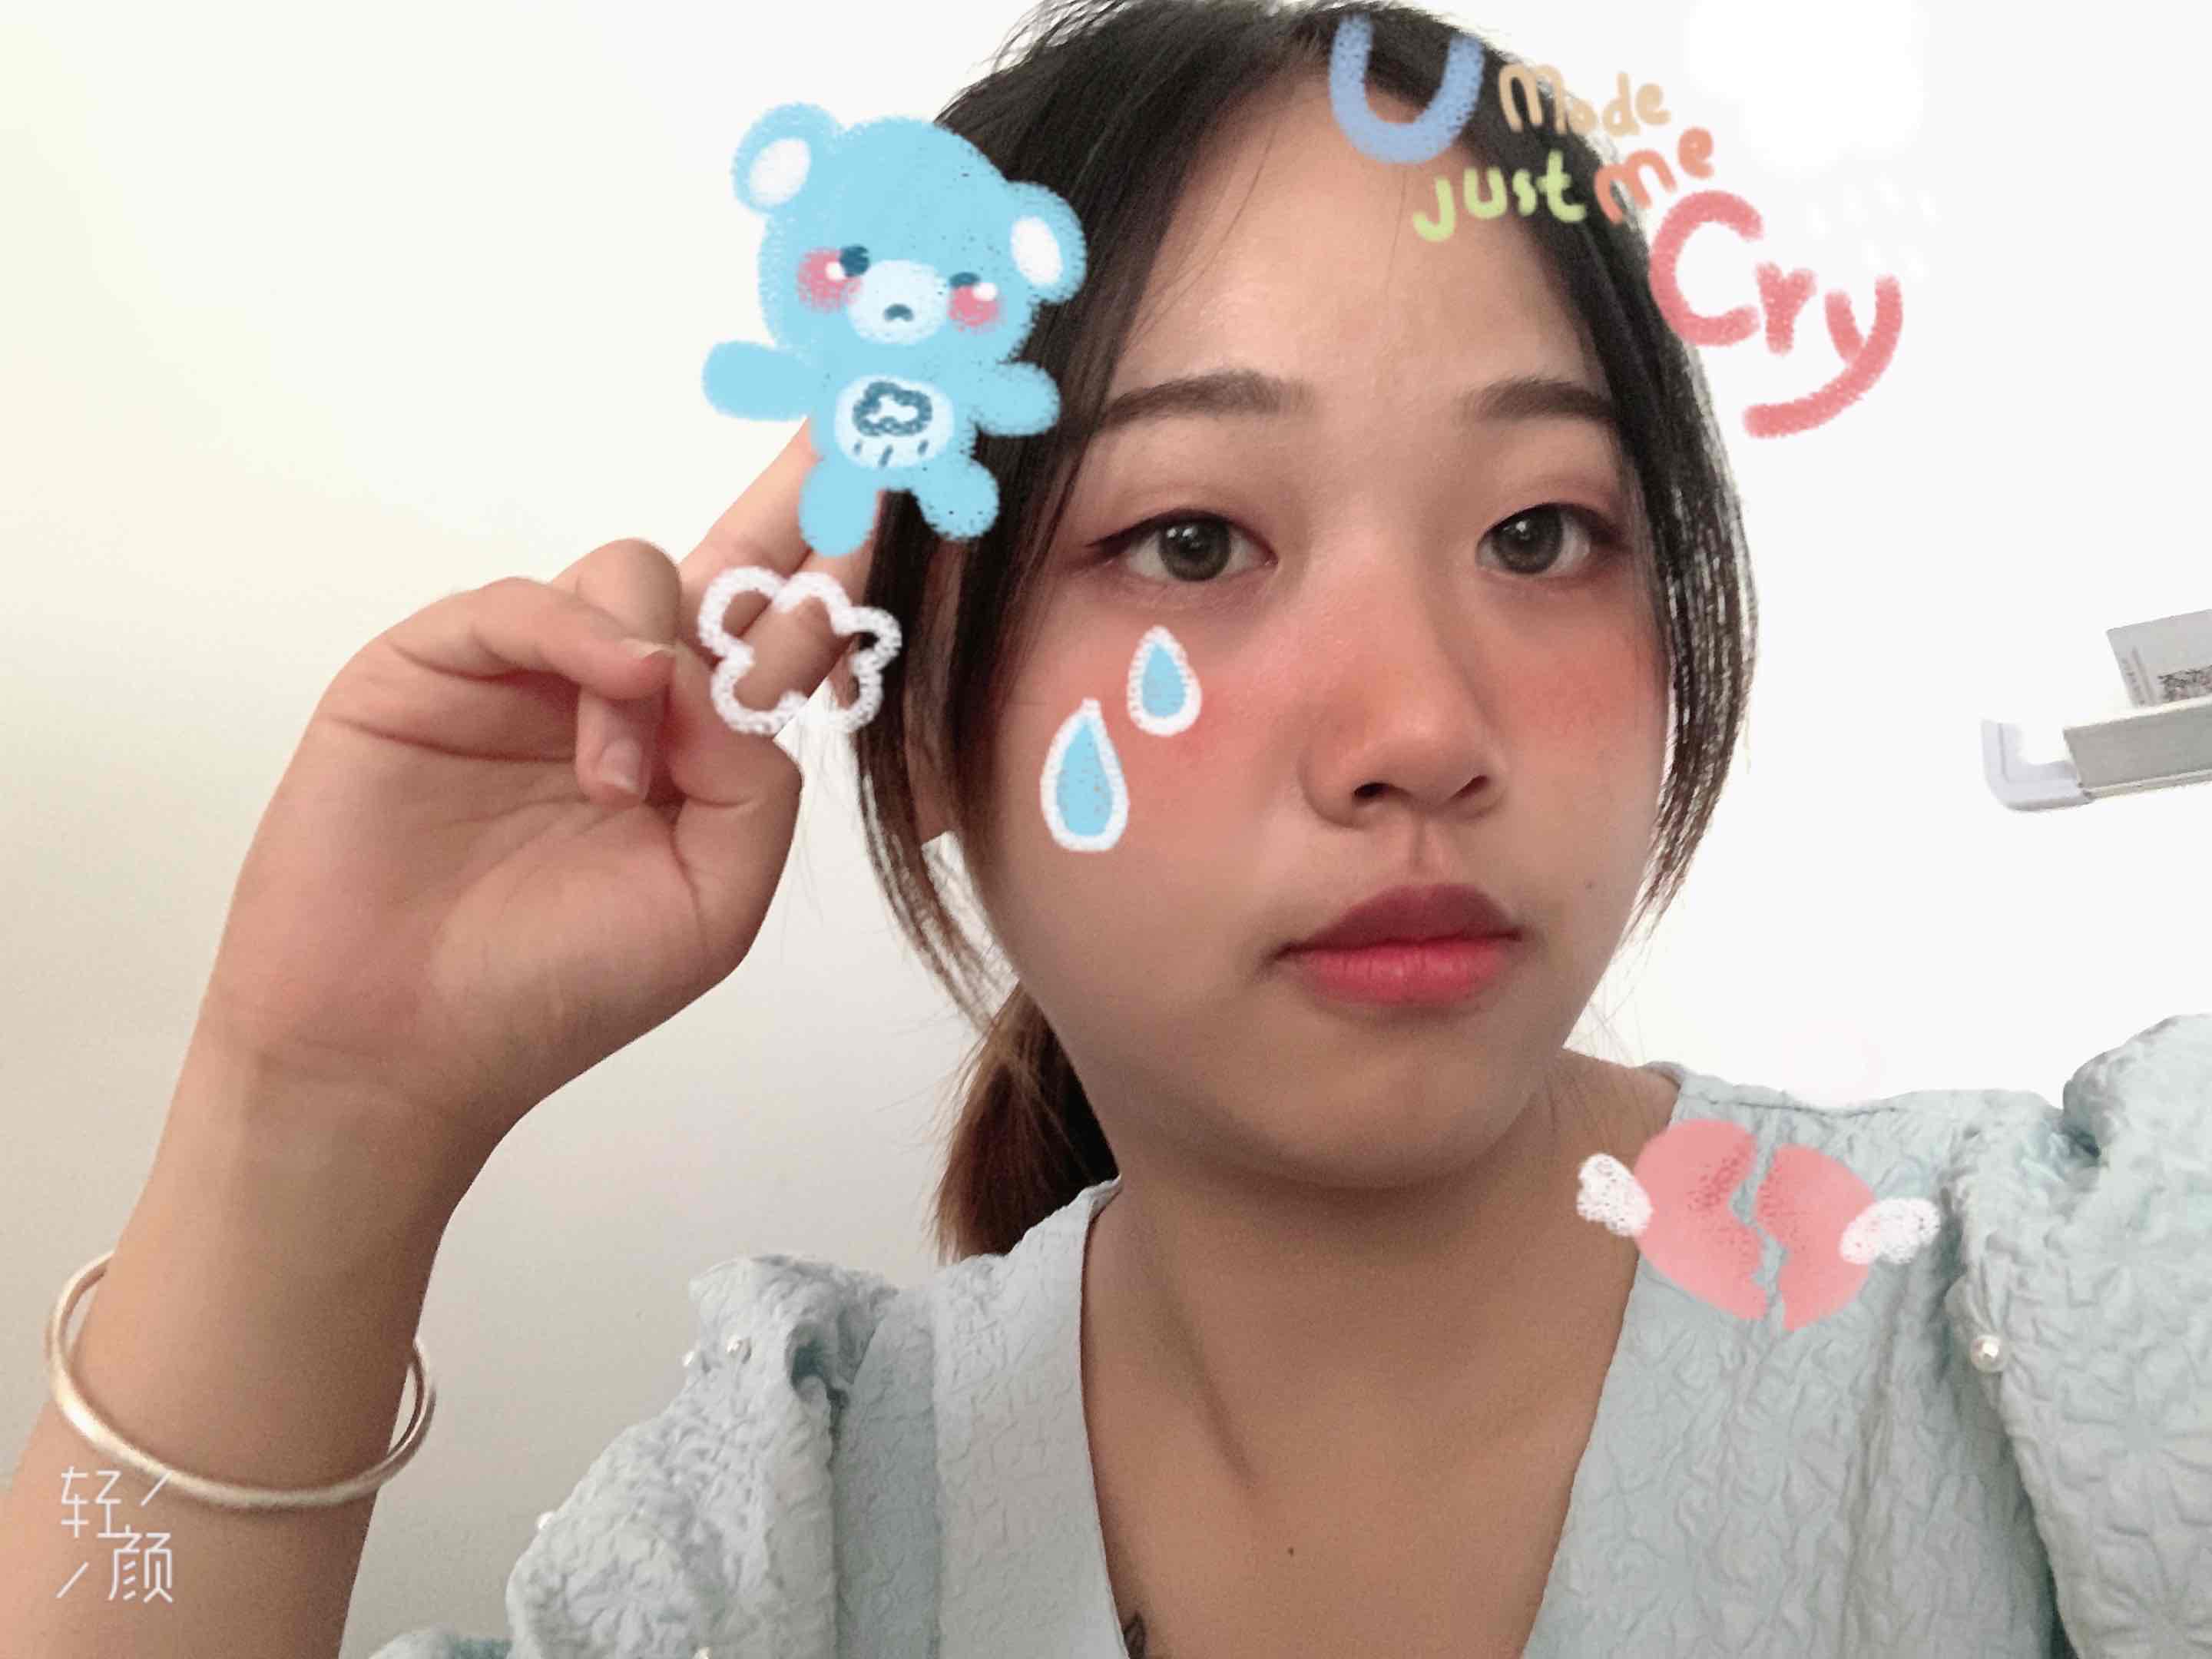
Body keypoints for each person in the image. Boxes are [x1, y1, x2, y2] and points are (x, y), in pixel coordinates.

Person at [3, 1, 2207, 1655]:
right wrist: (312, 1123)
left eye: (1542, 531)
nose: (1420, 730)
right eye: (1188, 541)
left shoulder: (2065, 1312)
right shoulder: (791, 1526)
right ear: (911, 715)